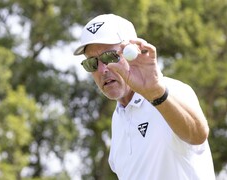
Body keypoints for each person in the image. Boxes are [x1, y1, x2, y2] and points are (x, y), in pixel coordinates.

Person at [73, 14, 215, 180]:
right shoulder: (118, 119)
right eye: (92, 63)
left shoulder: (171, 90)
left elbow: (198, 135)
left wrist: (156, 93)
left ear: (133, 51)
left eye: (109, 56)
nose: (102, 69)